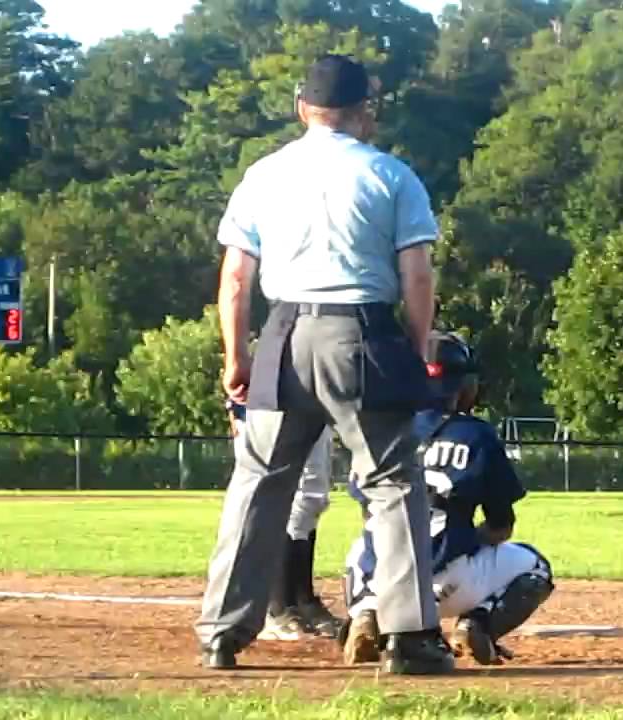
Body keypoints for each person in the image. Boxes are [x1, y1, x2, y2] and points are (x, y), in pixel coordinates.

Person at [195, 54, 453, 675]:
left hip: (283, 333)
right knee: (391, 485)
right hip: (362, 334)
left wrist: (238, 357)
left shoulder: (263, 174)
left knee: (258, 484)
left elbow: (235, 278)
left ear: (301, 107)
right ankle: (409, 638)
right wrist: (417, 350)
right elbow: (416, 275)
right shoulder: (392, 175)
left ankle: (222, 635)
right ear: (365, 111)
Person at [340, 331, 554, 666]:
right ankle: (477, 623)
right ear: (465, 387)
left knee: (360, 547)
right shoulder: (477, 434)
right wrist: (470, 538)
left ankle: (367, 611)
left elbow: (367, 513)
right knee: (536, 564)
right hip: (449, 585)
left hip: (386, 583)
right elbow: (501, 525)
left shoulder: (377, 432)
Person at [225, 400, 340, 640]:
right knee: (271, 494)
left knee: (311, 496)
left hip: (311, 395)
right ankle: (275, 605)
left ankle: (301, 598)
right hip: (264, 401)